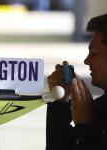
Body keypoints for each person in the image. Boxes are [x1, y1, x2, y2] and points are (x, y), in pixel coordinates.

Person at [46, 13, 107, 150]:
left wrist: (84, 128)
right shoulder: (100, 107)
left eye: (94, 53)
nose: (87, 60)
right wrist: (59, 104)